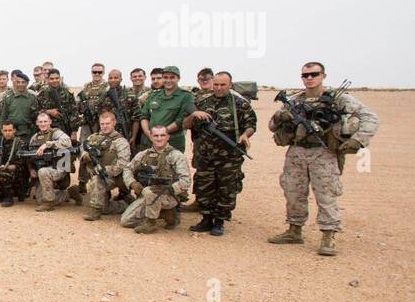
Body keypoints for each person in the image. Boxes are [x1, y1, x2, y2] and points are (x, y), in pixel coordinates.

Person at [266, 62, 379, 255]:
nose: (309, 78)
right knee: (293, 191)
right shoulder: (294, 101)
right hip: (297, 151)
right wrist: (280, 116)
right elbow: (272, 125)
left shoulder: (339, 99)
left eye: (314, 74)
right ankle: (294, 230)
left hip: (324, 151)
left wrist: (358, 141)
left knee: (326, 194)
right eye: (305, 75)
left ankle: (329, 236)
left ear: (323, 76)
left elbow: (371, 118)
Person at [182, 71, 256, 236]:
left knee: (226, 188)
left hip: (229, 155)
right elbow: (185, 124)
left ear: (231, 85)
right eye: (216, 84)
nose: (219, 88)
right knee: (204, 186)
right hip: (205, 154)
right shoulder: (201, 102)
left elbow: (251, 124)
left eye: (223, 85)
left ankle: (220, 221)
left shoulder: (239, 104)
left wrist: (245, 135)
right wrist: (194, 114)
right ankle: (206, 218)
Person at [120, 126, 192, 233]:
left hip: (169, 196)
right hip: (147, 194)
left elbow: (186, 181)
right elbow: (127, 168)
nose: (159, 138)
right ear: (151, 137)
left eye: (162, 135)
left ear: (168, 137)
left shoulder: (176, 155)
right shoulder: (143, 155)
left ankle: (151, 222)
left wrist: (169, 189)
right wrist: (132, 183)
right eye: (156, 135)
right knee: (126, 221)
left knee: (150, 191)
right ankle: (164, 214)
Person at [81, 110, 132, 221]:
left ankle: (96, 210)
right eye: (102, 124)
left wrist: (106, 171)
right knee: (105, 208)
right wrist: (85, 155)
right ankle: (120, 204)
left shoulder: (120, 141)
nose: (104, 126)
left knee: (97, 178)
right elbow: (83, 147)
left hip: (115, 177)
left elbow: (123, 163)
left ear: (114, 123)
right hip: (98, 174)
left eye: (107, 123)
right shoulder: (93, 137)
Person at [26, 111, 77, 211]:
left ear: (50, 122)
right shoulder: (34, 138)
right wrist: (31, 169)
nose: (43, 124)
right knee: (40, 198)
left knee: (43, 172)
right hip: (44, 171)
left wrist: (47, 144)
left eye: (45, 121)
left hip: (60, 167)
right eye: (40, 122)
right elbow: (29, 156)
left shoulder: (56, 132)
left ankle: (49, 203)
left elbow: (67, 142)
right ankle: (70, 193)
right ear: (37, 123)